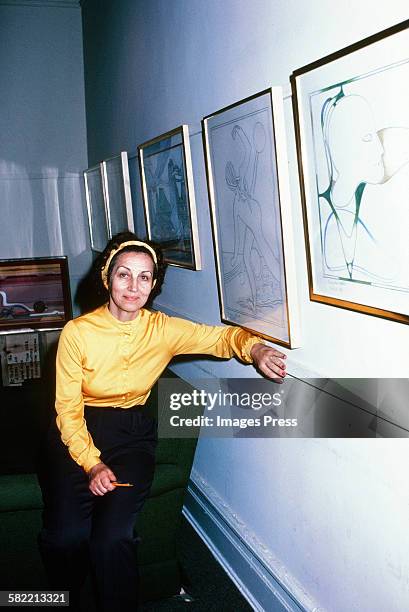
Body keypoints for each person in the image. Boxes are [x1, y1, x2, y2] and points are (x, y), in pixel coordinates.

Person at [37, 232, 287, 612]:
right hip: (77, 432)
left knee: (113, 537)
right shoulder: (78, 333)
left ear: (154, 285)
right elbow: (67, 409)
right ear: (107, 277)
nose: (133, 286)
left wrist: (255, 348)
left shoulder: (164, 329)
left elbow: (221, 339)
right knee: (66, 538)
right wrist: (92, 463)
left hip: (131, 437)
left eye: (144, 277)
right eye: (124, 274)